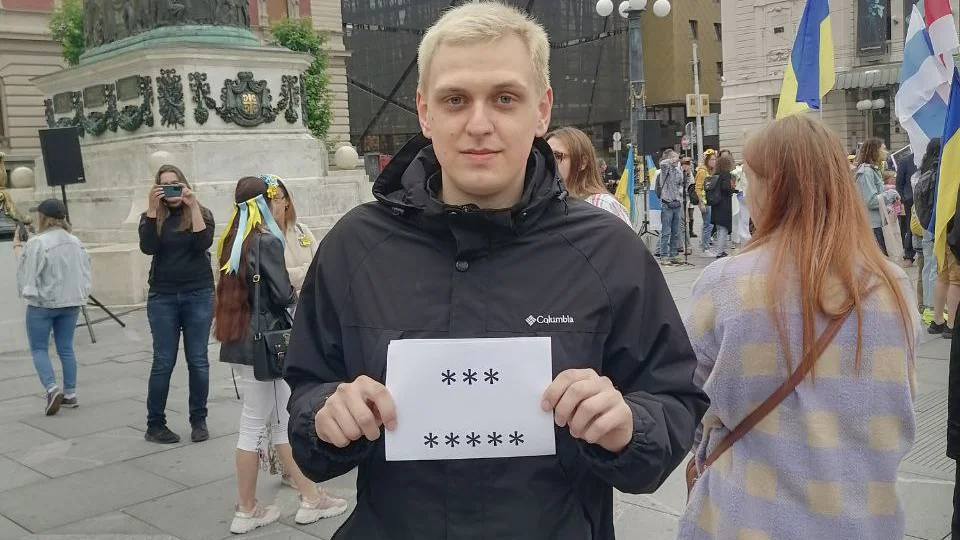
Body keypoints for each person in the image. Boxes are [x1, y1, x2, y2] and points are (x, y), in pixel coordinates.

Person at [284, 4, 708, 539]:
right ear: (424, 112)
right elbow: (306, 395)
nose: (479, 124)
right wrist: (325, 416)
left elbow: (674, 400)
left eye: (505, 98)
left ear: (542, 110)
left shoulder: (609, 251)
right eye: (455, 99)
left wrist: (630, 424)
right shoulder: (354, 246)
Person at [679, 114, 919, 540]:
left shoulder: (726, 284)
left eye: (751, 181)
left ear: (772, 188)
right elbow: (899, 403)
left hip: (748, 518)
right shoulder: (893, 284)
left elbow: (688, 402)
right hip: (865, 522)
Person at [215, 175, 347, 535]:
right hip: (267, 344)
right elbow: (283, 293)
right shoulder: (266, 241)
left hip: (243, 339)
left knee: (268, 422)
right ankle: (280, 503)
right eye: (272, 198)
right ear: (263, 203)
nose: (278, 204)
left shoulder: (233, 239)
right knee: (267, 423)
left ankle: (292, 498)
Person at [138, 164, 215, 444]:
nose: (170, 190)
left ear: (184, 184)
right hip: (163, 297)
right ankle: (155, 424)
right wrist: (151, 209)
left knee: (198, 360)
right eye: (164, 185)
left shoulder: (201, 213)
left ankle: (199, 420)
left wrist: (192, 206)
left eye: (175, 184)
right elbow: (148, 247)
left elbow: (202, 243)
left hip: (198, 294)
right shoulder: (152, 217)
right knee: (163, 361)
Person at [15, 199, 91, 415]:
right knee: (66, 348)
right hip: (70, 302)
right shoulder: (76, 242)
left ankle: (51, 388)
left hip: (43, 303)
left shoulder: (38, 243)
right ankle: (70, 393)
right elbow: (86, 272)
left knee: (39, 348)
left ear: (43, 218)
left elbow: (28, 274)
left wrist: (17, 247)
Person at [546, 127, 631, 225]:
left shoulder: (603, 205)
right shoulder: (545, 205)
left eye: (557, 156)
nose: (548, 163)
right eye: (544, 156)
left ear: (582, 163)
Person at [263, 175, 320, 293]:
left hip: (310, 298)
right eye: (266, 200)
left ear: (287, 201)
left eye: (276, 199)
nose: (271, 205)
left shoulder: (302, 230)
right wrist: (306, 270)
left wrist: (290, 273)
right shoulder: (261, 238)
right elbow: (275, 278)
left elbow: (319, 267)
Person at [657, 149, 694, 264]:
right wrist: (677, 159)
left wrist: (688, 173)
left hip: (677, 203)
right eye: (674, 157)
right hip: (667, 203)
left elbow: (684, 185)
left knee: (675, 231)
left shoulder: (678, 171)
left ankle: (673, 254)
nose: (677, 159)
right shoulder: (665, 169)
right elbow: (663, 163)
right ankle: (664, 256)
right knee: (666, 232)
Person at [856, 138, 889, 255]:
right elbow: (871, 201)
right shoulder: (867, 172)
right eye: (883, 149)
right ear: (874, 151)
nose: (886, 152)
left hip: (877, 223)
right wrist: (889, 195)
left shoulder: (873, 170)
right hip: (872, 226)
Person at [704, 154, 736, 259]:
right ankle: (720, 251)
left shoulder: (715, 175)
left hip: (716, 205)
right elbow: (726, 188)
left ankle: (720, 249)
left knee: (719, 229)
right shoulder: (726, 175)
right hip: (724, 205)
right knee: (723, 229)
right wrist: (732, 189)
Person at [896, 151, 917, 265]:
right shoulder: (906, 160)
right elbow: (899, 182)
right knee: (910, 226)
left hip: (926, 197)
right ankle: (909, 254)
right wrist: (904, 198)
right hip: (910, 199)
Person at [695, 150, 717, 253]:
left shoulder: (709, 171)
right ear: (707, 160)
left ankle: (705, 244)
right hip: (705, 201)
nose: (714, 161)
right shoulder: (702, 171)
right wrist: (701, 202)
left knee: (709, 224)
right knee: (707, 225)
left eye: (715, 159)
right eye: (712, 159)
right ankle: (705, 248)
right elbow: (698, 188)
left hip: (710, 200)